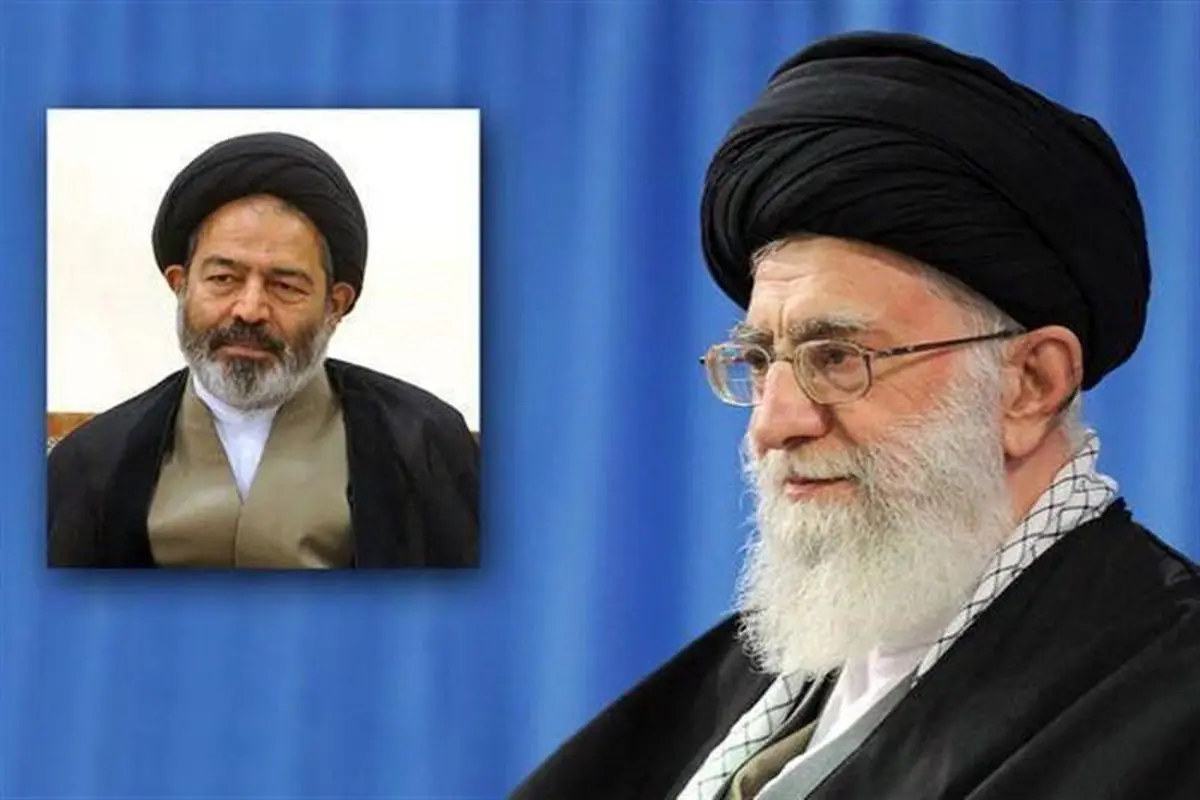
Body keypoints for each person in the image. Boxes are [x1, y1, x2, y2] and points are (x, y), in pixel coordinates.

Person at [511, 31, 1200, 800]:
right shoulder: (759, 676)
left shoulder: (1170, 699)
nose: (773, 423)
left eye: (837, 357)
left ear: (1030, 385)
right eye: (760, 360)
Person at [48, 131, 479, 569]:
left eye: (285, 286)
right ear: (180, 285)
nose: (250, 309)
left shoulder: (423, 443)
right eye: (223, 279)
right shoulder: (91, 462)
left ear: (335, 305)